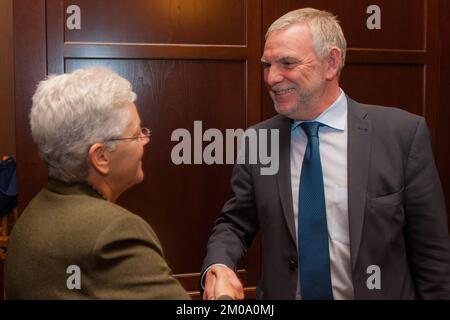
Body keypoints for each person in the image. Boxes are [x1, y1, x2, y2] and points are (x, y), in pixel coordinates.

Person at [201, 8, 450, 300]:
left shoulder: (402, 134)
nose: (271, 78)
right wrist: (219, 265)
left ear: (331, 62)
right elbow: (235, 222)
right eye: (267, 65)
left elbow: (431, 254)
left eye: (287, 63)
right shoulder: (259, 140)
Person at [4, 67, 190, 299]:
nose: (145, 139)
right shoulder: (114, 233)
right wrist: (224, 297)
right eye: (135, 134)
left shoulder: (31, 215)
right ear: (101, 157)